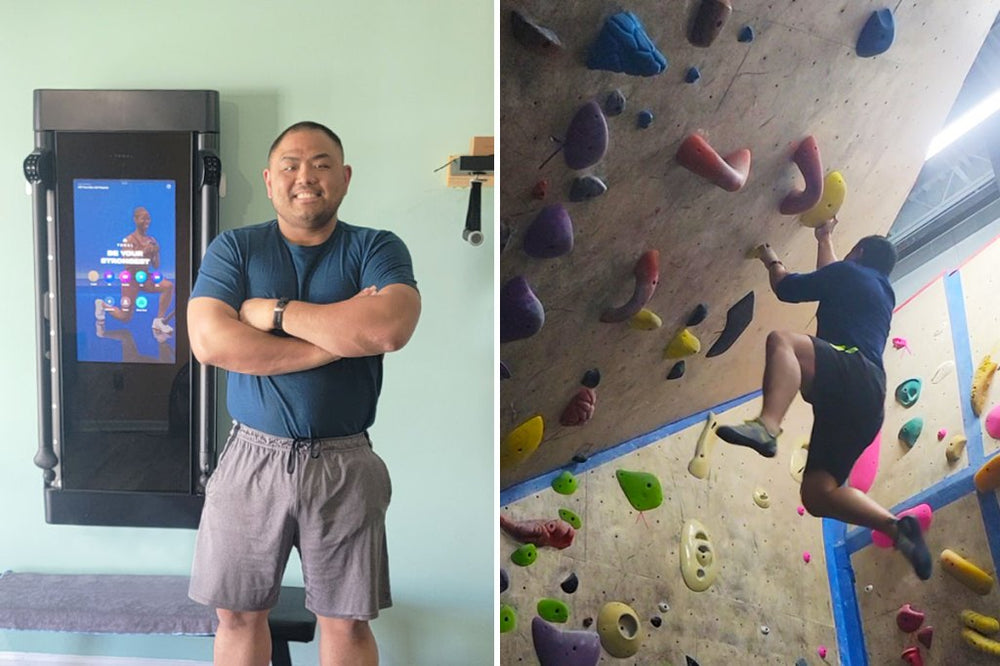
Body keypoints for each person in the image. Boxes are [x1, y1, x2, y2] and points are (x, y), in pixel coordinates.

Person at [186, 121, 421, 666]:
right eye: (290, 165)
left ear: (344, 177)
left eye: (320, 163)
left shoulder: (377, 247)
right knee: (237, 615)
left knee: (347, 621)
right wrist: (338, 341)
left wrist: (273, 313)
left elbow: (388, 328)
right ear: (270, 181)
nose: (305, 176)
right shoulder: (236, 249)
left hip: (346, 459)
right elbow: (210, 341)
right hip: (250, 457)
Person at [716, 218, 932, 581]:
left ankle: (767, 427)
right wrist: (825, 236)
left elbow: (786, 287)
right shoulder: (875, 291)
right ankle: (895, 527)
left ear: (859, 252)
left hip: (853, 372)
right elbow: (834, 273)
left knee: (783, 342)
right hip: (866, 403)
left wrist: (771, 259)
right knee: (818, 495)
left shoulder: (852, 275)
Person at [94, 206, 175, 336]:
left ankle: (159, 321)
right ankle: (103, 305)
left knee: (168, 286)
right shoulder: (129, 240)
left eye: (148, 218)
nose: (146, 221)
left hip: (145, 276)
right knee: (125, 317)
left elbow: (156, 265)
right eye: (143, 218)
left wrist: (156, 252)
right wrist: (144, 252)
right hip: (130, 279)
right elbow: (128, 261)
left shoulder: (152, 240)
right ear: (135, 220)